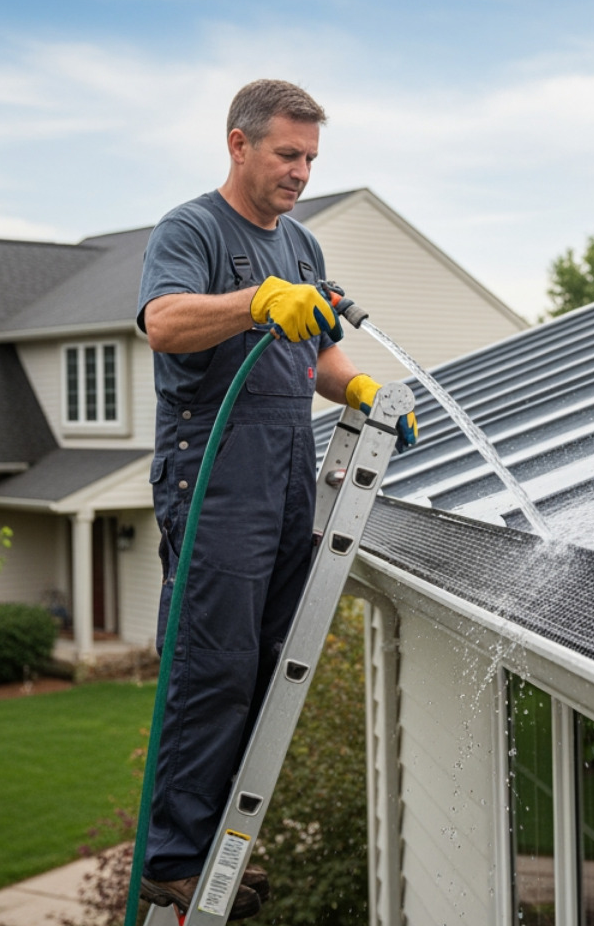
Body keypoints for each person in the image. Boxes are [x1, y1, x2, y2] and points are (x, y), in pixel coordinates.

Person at [135, 79, 418, 919]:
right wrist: (256, 300)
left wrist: (360, 387)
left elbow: (315, 355)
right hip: (214, 470)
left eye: (311, 158)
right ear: (239, 144)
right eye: (288, 154)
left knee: (266, 660)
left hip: (289, 468)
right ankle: (173, 857)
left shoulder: (301, 246)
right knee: (212, 660)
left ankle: (220, 840)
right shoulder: (192, 229)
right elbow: (164, 322)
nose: (300, 171)